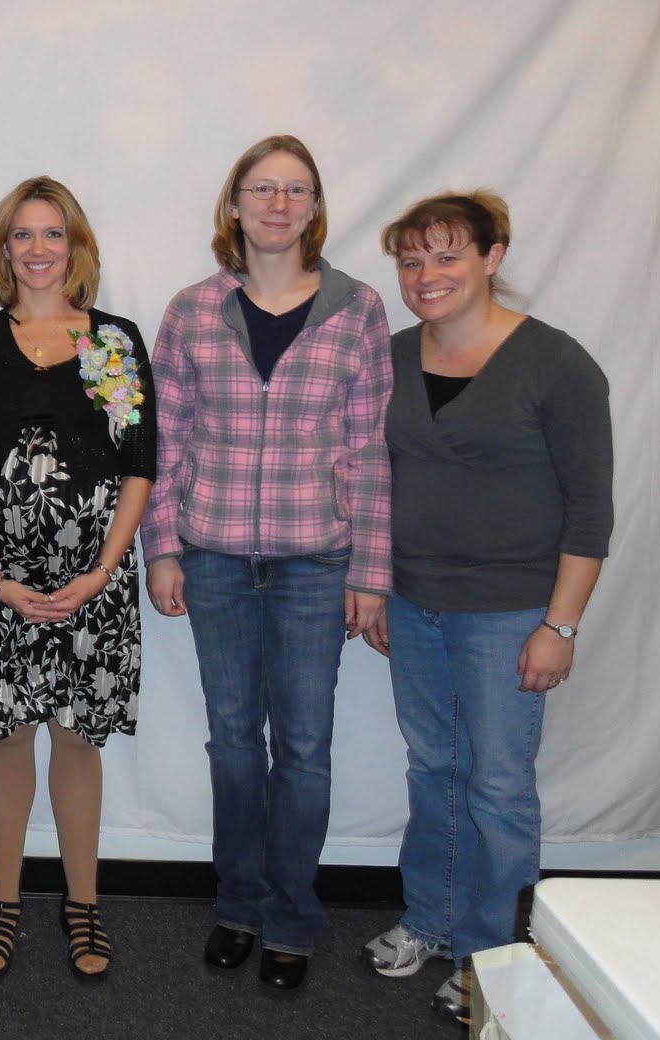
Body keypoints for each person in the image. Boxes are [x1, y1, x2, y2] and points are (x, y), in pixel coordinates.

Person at [141, 135, 392, 991]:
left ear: (315, 208)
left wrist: (371, 572)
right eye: (262, 189)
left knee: (306, 747)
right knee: (233, 744)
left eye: (296, 190)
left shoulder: (357, 311)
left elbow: (370, 450)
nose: (278, 205)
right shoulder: (192, 311)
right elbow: (166, 441)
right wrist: (162, 547)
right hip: (213, 559)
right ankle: (238, 905)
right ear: (236, 205)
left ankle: (292, 917)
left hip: (315, 564)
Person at [360, 191, 612, 1025]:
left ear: (492, 257)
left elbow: (590, 511)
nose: (426, 275)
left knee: (498, 786)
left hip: (509, 613)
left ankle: (491, 955)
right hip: (414, 605)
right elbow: (372, 481)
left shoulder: (555, 364)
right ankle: (432, 920)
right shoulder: (392, 357)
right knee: (432, 768)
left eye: (446, 256)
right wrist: (376, 583)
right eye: (412, 261)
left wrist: (559, 625)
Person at [0, 177, 156, 982]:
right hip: (0, 579)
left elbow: (139, 465)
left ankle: (82, 903)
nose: (38, 249)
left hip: (91, 582)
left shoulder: (113, 342)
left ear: (76, 247)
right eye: (23, 235)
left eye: (53, 234)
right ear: (5, 250)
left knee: (76, 736)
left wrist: (101, 573)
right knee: (7, 735)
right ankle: (2, 900)